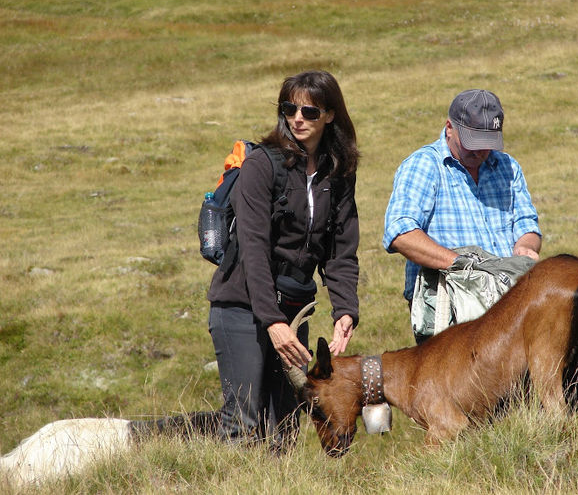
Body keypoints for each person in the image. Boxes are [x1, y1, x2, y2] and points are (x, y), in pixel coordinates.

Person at [207, 70, 360, 453]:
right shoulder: (262, 165)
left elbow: (341, 249)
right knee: (242, 421)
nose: (298, 119)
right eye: (290, 108)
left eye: (310, 111)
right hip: (242, 304)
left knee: (287, 426)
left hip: (294, 307)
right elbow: (253, 249)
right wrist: (272, 321)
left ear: (330, 115)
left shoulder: (338, 171)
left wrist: (345, 309)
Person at [383, 89, 541, 342]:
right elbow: (400, 233)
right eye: (473, 143)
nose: (480, 152)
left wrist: (525, 246)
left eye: (487, 145)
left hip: (508, 302)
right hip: (449, 306)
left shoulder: (508, 166)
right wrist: (463, 265)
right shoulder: (424, 165)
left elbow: (526, 224)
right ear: (449, 127)